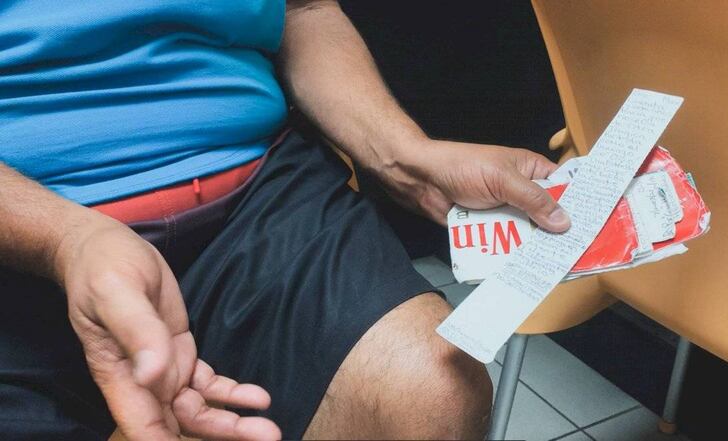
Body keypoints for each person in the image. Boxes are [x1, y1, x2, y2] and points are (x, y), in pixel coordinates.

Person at [0, 0, 571, 439]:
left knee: (434, 389)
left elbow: (304, 10)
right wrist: (65, 239)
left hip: (258, 192)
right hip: (23, 224)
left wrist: (407, 155)